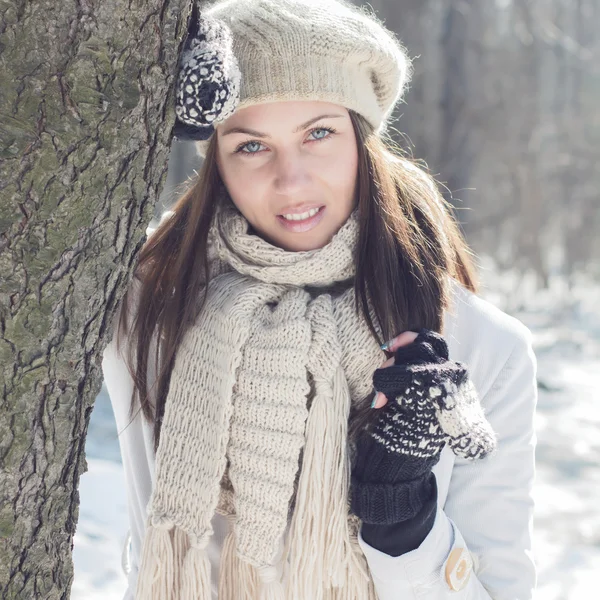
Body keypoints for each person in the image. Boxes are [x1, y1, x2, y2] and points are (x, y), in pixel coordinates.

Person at [100, 0, 538, 598]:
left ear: (363, 140)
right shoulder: (145, 305)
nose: (292, 179)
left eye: (319, 133)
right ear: (217, 164)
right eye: (251, 146)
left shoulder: (480, 349)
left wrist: (405, 524)